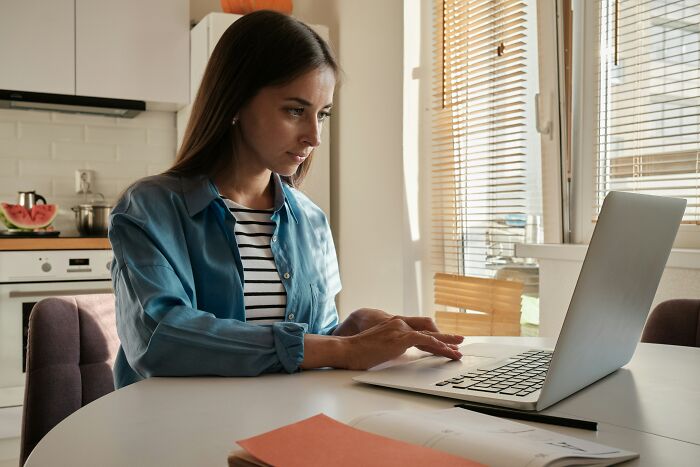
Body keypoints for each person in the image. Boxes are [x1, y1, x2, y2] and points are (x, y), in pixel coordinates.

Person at [108, 10, 463, 389]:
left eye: (322, 114)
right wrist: (341, 351)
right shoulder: (149, 208)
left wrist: (349, 331)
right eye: (295, 110)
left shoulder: (311, 220)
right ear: (235, 101)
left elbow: (315, 344)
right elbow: (161, 338)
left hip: (282, 427)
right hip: (171, 430)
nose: (315, 137)